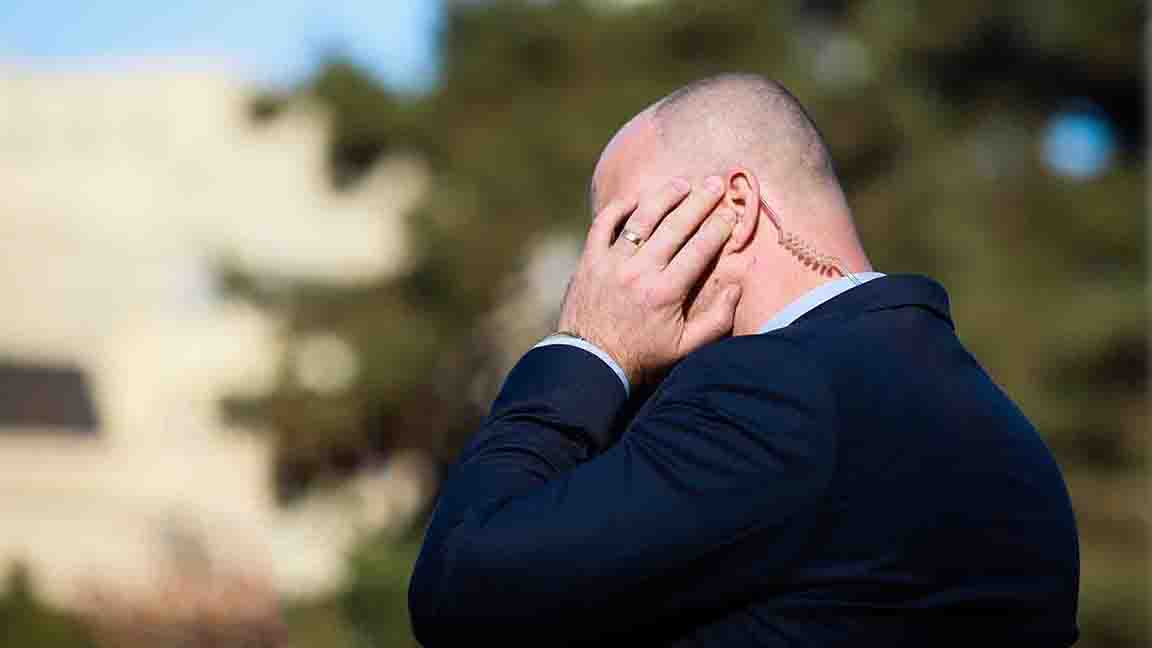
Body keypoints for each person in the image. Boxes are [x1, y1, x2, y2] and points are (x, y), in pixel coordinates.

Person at [408, 74, 1079, 646]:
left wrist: (588, 346)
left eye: (626, 231)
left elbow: (463, 588)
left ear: (735, 206)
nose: (603, 271)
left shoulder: (772, 393)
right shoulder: (997, 421)